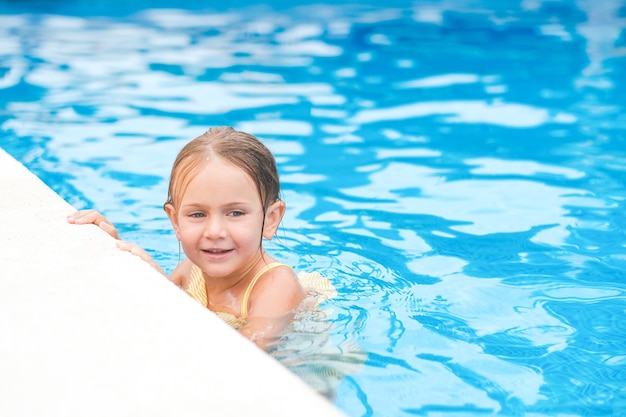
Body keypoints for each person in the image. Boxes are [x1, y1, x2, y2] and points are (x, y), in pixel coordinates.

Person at [68, 127, 336, 350]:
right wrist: (116, 249)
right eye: (197, 214)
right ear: (175, 221)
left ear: (270, 219)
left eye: (235, 212)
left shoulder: (276, 286)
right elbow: (156, 307)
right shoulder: (191, 269)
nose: (214, 231)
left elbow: (243, 360)